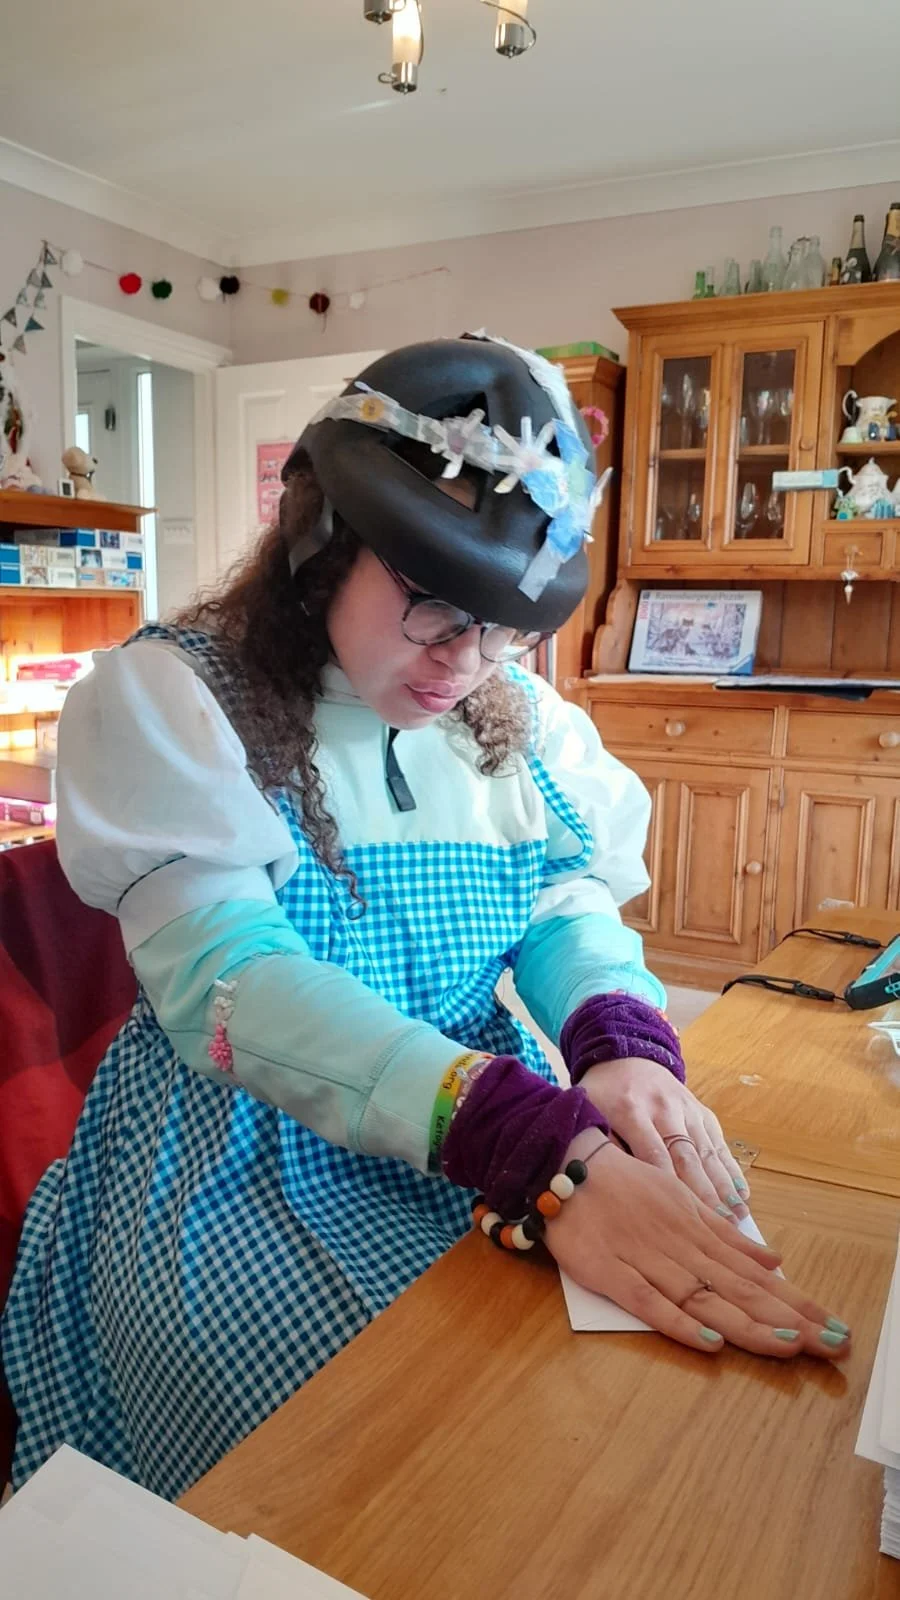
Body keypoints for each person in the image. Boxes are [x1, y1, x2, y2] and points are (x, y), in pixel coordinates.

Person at [1, 335, 850, 1501]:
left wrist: (616, 1038)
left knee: (608, 1411)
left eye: (506, 627)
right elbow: (234, 984)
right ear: (320, 545)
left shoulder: (512, 716)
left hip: (478, 1117)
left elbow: (559, 896)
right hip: (237, 1168)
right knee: (417, 1457)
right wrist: (529, 1142)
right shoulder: (175, 700)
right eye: (436, 611)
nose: (471, 662)